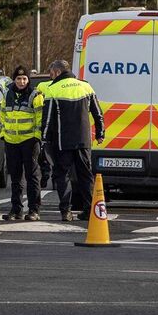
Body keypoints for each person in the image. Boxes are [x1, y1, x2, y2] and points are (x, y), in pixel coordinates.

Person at [40, 59, 105, 221]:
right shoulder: (85, 86)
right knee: (85, 175)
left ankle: (66, 211)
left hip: (63, 141)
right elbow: (98, 113)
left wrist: (44, 139)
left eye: (51, 73)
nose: (50, 76)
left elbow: (47, 119)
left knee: (63, 175)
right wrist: (100, 133)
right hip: (84, 140)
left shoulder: (53, 89)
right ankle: (89, 210)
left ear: (56, 72)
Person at [0, 66, 41, 221]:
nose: (21, 81)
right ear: (14, 80)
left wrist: (37, 137)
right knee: (15, 178)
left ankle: (34, 210)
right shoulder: (7, 93)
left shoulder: (34, 95)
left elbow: (40, 117)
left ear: (28, 80)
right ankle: (16, 209)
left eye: (24, 79)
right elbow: (3, 114)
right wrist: (4, 133)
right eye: (18, 79)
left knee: (32, 177)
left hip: (29, 141)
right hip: (11, 141)